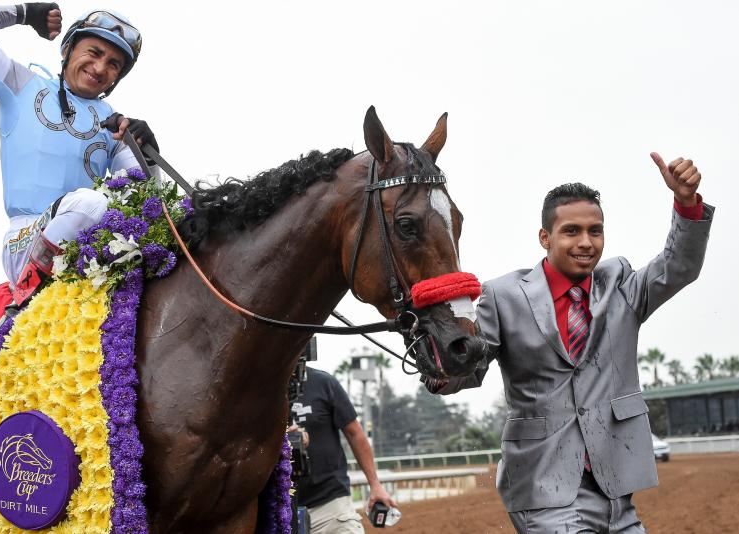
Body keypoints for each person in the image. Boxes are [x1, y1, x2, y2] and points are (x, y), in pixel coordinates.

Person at [426, 153, 713, 533]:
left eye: (595, 231)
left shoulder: (621, 285)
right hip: (543, 492)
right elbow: (470, 368)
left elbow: (678, 267)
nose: (586, 242)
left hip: (616, 494)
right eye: (572, 231)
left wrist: (686, 203)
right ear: (545, 237)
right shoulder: (503, 296)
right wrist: (441, 367)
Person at [0, 3, 158, 305]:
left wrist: (148, 152)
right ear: (67, 49)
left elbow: (149, 204)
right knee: (91, 203)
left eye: (113, 64)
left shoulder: (115, 124)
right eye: (94, 52)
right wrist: (22, 13)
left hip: (85, 252)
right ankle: (23, 300)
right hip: (24, 240)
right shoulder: (21, 84)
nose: (100, 68)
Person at [291, 366, 397, 533]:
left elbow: (355, 434)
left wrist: (375, 484)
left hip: (331, 505)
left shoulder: (323, 382)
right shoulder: (256, 388)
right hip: (277, 512)